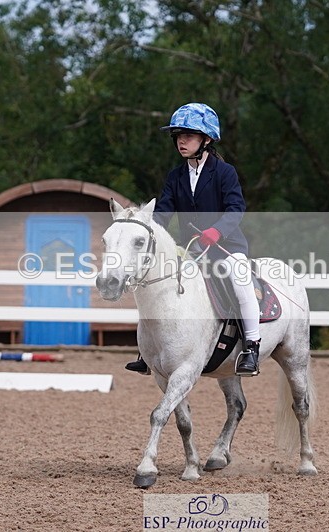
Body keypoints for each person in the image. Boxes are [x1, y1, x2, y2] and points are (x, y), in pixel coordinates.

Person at [125, 102, 262, 377]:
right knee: (157, 282)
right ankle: (148, 350)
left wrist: (217, 231)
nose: (181, 141)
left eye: (188, 135)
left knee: (240, 278)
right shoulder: (175, 176)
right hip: (191, 249)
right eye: (178, 135)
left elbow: (236, 209)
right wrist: (147, 229)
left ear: (207, 139)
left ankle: (251, 346)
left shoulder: (225, 173)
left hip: (226, 246)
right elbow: (163, 212)